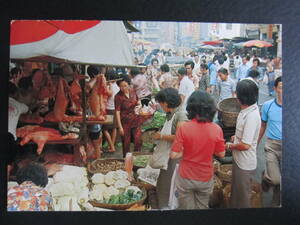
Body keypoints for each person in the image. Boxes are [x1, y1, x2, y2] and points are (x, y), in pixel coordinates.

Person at [170, 91, 225, 209]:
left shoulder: (184, 128)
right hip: (205, 177)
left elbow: (174, 155)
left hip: (186, 177)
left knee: (186, 210)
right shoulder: (216, 129)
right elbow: (221, 153)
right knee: (202, 208)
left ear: (191, 108)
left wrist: (188, 150)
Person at [225, 79, 261, 208]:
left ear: (241, 98)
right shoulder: (247, 109)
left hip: (245, 163)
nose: (235, 95)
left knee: (243, 195)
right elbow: (245, 136)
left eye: (237, 93)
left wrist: (230, 145)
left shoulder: (252, 116)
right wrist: (237, 136)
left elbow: (246, 145)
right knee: (236, 191)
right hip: (239, 160)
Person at [152, 88, 188, 209]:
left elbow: (179, 137)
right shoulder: (170, 113)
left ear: (166, 103)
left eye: (160, 103)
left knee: (170, 182)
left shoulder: (181, 114)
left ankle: (167, 207)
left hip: (176, 155)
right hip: (168, 153)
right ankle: (162, 202)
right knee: (164, 180)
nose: (160, 106)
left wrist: (161, 136)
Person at [258, 76, 282, 207]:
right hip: (272, 146)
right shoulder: (268, 106)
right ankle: (266, 178)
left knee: (282, 180)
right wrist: (256, 143)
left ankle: (275, 202)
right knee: (276, 178)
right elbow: (263, 125)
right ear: (275, 89)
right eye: (281, 87)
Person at [115, 75, 149, 157]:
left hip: (136, 119)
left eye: (125, 86)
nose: (123, 88)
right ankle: (126, 159)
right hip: (125, 122)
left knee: (138, 140)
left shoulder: (133, 91)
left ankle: (137, 158)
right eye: (121, 86)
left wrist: (139, 104)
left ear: (129, 85)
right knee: (126, 142)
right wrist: (120, 127)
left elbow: (138, 101)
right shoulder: (118, 96)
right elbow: (117, 112)